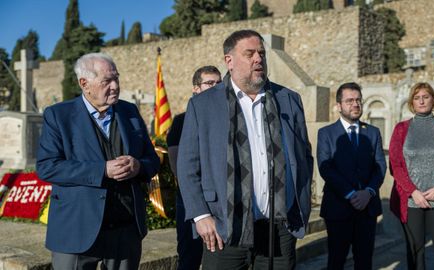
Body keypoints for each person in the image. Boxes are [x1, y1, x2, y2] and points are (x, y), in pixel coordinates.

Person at [177, 29, 313, 269]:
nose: (258, 59)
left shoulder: (288, 99)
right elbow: (188, 165)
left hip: (279, 229)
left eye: (261, 53)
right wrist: (200, 215)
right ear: (229, 61)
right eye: (249, 54)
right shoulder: (203, 105)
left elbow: (304, 157)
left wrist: (301, 205)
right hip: (224, 227)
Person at [36, 53, 160, 270]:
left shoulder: (129, 111)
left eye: (116, 79)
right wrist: (102, 170)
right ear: (85, 84)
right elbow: (47, 167)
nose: (115, 86)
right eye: (106, 81)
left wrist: (139, 166)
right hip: (76, 232)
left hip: (125, 230)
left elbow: (152, 160)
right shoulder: (58, 115)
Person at [389, 82, 434, 270]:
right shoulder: (401, 129)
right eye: (417, 97)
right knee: (415, 253)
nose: (421, 101)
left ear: (433, 99)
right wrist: (413, 192)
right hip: (412, 201)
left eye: (425, 96)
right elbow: (395, 166)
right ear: (412, 102)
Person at [317, 82, 386, 270]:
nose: (355, 104)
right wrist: (351, 193)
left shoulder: (372, 133)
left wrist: (369, 192)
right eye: (349, 101)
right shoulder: (326, 134)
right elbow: (326, 168)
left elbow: (380, 166)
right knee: (336, 261)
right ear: (339, 106)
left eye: (358, 100)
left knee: (364, 262)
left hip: (367, 209)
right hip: (338, 207)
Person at [166, 65, 221, 270]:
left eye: (219, 83)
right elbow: (178, 165)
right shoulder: (181, 121)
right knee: (190, 256)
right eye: (209, 83)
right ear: (195, 89)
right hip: (192, 201)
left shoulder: (229, 117)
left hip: (221, 202)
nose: (215, 87)